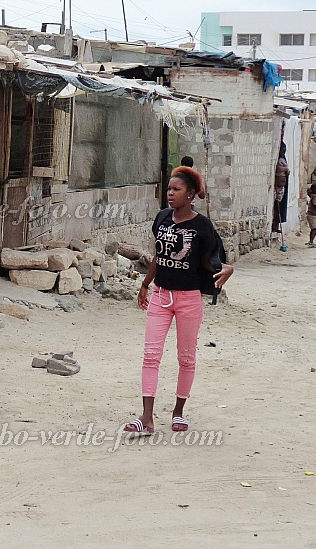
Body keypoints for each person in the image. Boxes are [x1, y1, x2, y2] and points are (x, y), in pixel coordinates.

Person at [125, 166, 234, 435]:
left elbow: (210, 260)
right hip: (161, 296)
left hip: (188, 300)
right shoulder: (162, 219)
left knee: (186, 358)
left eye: (176, 190)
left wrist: (228, 268)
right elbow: (158, 256)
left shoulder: (203, 226)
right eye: (169, 189)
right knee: (151, 356)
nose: (170, 194)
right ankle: (147, 418)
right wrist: (145, 284)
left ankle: (178, 412)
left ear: (191, 195)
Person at [272, 142, 290, 233]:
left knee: (279, 206)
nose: (283, 152)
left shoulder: (283, 159)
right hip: (276, 186)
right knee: (275, 206)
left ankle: (276, 225)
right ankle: (273, 225)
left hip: (281, 187)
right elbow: (278, 169)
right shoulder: (277, 159)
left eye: (284, 150)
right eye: (282, 150)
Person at [305, 183, 316, 247]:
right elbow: (313, 202)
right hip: (312, 215)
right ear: (315, 190)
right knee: (315, 228)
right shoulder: (314, 196)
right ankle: (311, 242)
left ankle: (311, 241)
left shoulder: (313, 195)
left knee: (314, 228)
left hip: (312, 215)